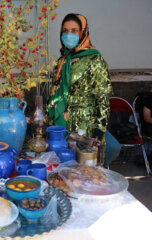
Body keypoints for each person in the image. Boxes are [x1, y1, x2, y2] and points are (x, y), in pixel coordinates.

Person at [46, 13, 118, 167]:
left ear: (83, 33)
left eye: (74, 30)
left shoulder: (94, 59)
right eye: (65, 31)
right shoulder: (61, 61)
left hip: (85, 128)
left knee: (85, 176)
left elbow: (103, 100)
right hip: (62, 128)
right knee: (61, 173)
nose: (68, 35)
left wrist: (98, 133)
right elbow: (55, 93)